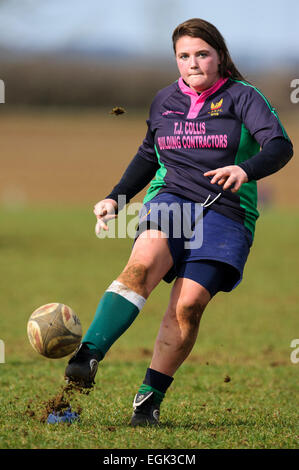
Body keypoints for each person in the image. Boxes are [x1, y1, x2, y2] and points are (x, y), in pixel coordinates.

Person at [65, 18, 293, 426]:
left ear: (219, 56)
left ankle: (148, 400)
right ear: (176, 61)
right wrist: (115, 198)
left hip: (227, 211)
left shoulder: (244, 97)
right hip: (171, 199)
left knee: (188, 306)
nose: (193, 63)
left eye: (202, 54)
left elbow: (280, 146)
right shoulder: (164, 100)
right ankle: (88, 355)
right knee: (144, 261)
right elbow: (148, 155)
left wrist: (246, 170)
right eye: (184, 56)